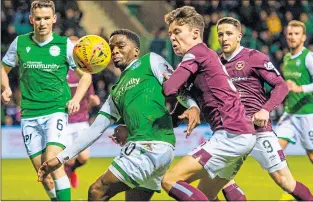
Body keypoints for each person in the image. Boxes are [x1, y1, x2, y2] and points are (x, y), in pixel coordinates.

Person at [36, 29, 199, 201]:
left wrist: (193, 106)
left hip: (148, 147)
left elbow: (178, 86)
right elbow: (95, 130)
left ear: (136, 50)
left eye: (120, 46)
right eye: (111, 47)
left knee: (97, 191)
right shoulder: (115, 91)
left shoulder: (150, 61)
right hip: (156, 149)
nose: (114, 50)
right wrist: (61, 158)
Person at [196, 17, 313, 201]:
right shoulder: (216, 65)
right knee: (211, 185)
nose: (224, 38)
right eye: (220, 34)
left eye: (229, 34)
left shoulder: (253, 57)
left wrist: (266, 109)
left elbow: (281, 86)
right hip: (231, 133)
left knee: (284, 181)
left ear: (239, 36)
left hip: (258, 130)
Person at [161, 6, 256, 201]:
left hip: (229, 133)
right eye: (170, 33)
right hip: (242, 132)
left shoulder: (194, 54)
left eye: (177, 31)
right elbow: (178, 110)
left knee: (170, 180)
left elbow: (169, 89)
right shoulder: (207, 55)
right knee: (206, 194)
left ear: (196, 33)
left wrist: (166, 79)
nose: (172, 37)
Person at [1, 1, 92, 201]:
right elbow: (3, 68)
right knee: (44, 175)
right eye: (38, 19)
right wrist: (6, 87)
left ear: (54, 19)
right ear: (32, 20)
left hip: (55, 111)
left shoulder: (64, 45)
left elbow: (86, 76)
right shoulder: (20, 43)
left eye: (46, 18)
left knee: (52, 160)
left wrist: (76, 99)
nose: (42, 23)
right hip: (29, 115)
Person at [276, 20, 313, 199]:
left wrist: (301, 88)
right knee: (275, 151)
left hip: (307, 113)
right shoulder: (287, 58)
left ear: (303, 37)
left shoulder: (309, 57)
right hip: (290, 113)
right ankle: (290, 188)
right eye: (290, 34)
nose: (292, 37)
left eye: (297, 34)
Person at [65, 55, 100, 188]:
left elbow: (90, 95)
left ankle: (71, 169)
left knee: (84, 157)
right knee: (68, 158)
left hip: (81, 121)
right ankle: (65, 178)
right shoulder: (61, 71)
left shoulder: (85, 73)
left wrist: (93, 99)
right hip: (65, 121)